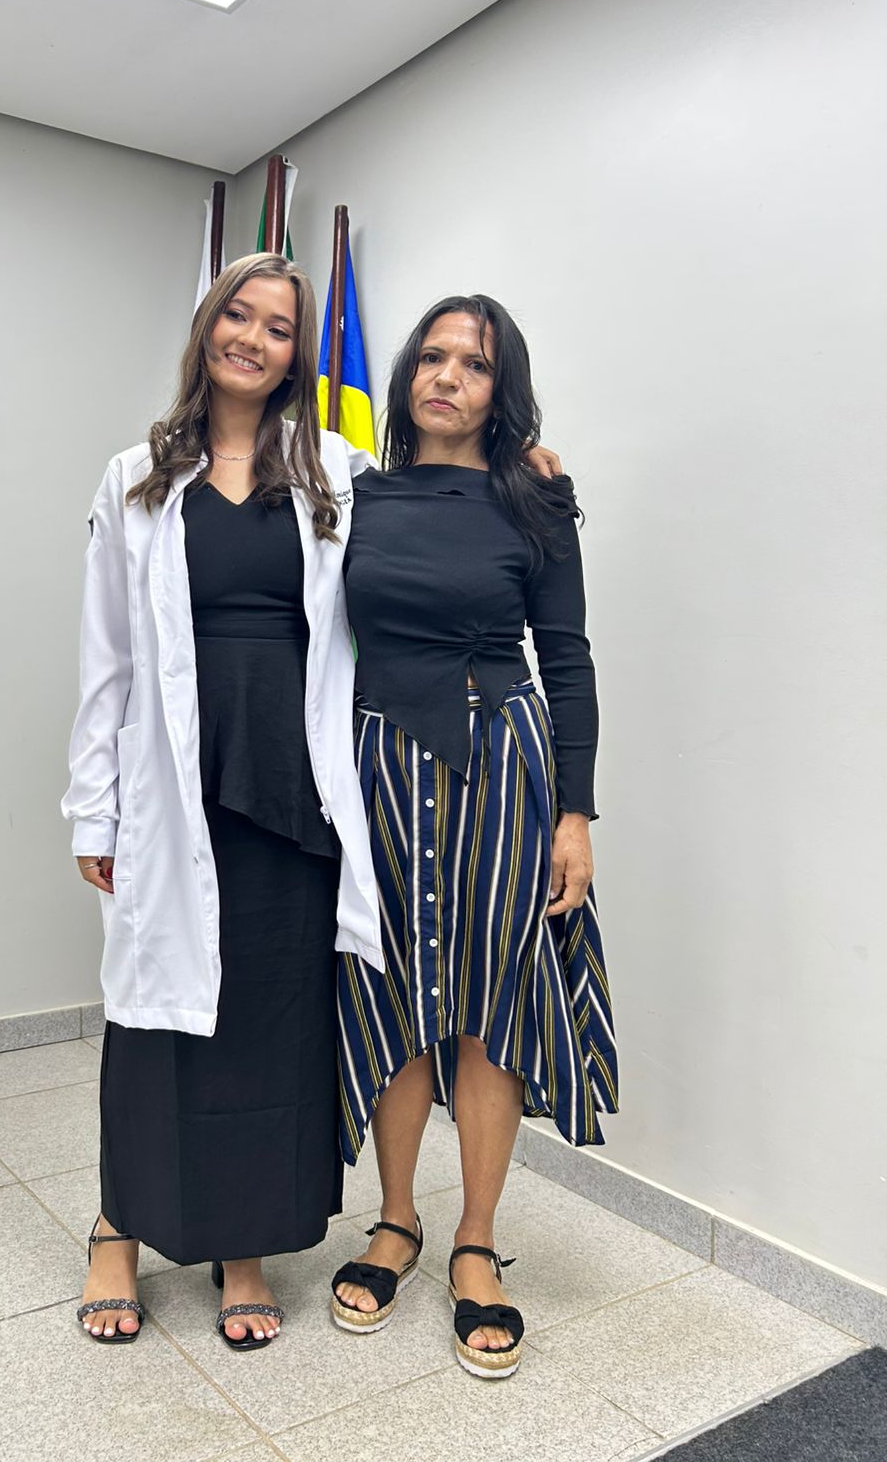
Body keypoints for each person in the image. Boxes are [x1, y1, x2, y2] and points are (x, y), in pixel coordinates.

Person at [61, 252, 384, 1350]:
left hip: (292, 790)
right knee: (153, 1020)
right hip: (172, 785)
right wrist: (94, 809)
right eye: (237, 315)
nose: (254, 337)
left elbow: (437, 527)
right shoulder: (136, 477)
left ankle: (241, 1245)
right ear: (207, 328)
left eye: (279, 327)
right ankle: (119, 1226)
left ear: (298, 356)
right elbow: (108, 660)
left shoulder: (337, 471)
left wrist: (524, 473)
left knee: (270, 1018)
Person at [330, 294, 618, 1380]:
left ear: (503, 392)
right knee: (394, 993)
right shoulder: (351, 498)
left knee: (493, 1003)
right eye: (434, 357)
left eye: (477, 364)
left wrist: (575, 815)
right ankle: (395, 1220)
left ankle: (476, 1240)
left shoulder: (534, 500)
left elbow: (568, 658)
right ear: (407, 373)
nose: (449, 376)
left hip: (503, 762)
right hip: (376, 764)